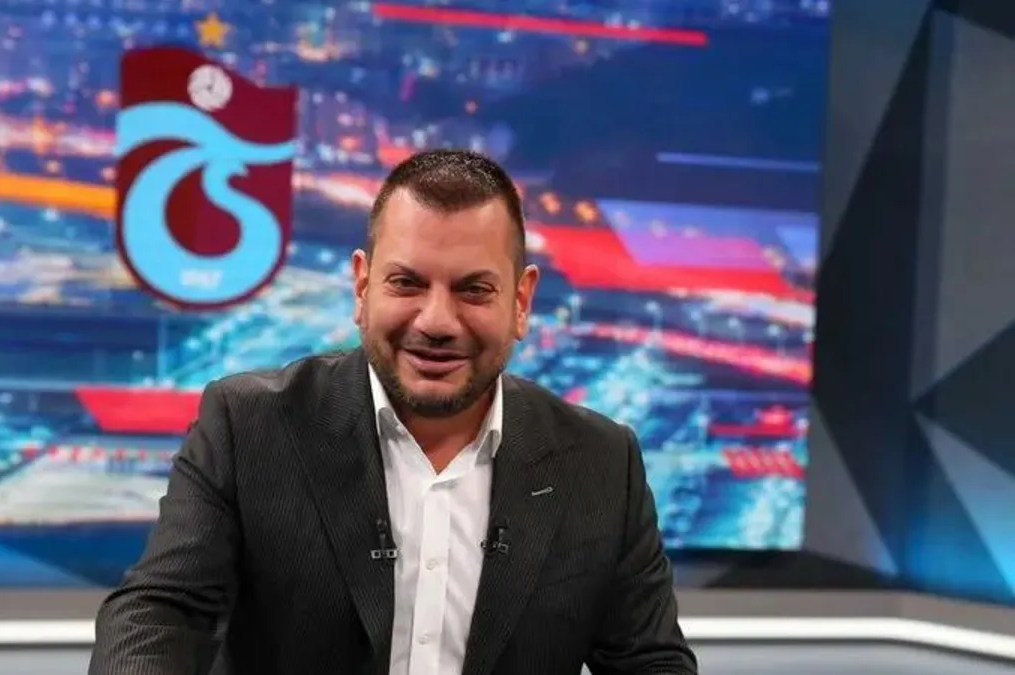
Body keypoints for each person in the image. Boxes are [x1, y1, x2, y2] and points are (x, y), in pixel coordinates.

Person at [89, 149, 697, 675]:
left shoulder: (600, 462)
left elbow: (651, 662)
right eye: (407, 283)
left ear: (521, 301)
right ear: (362, 287)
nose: (436, 321)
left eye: (474, 290)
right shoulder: (248, 425)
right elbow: (160, 613)